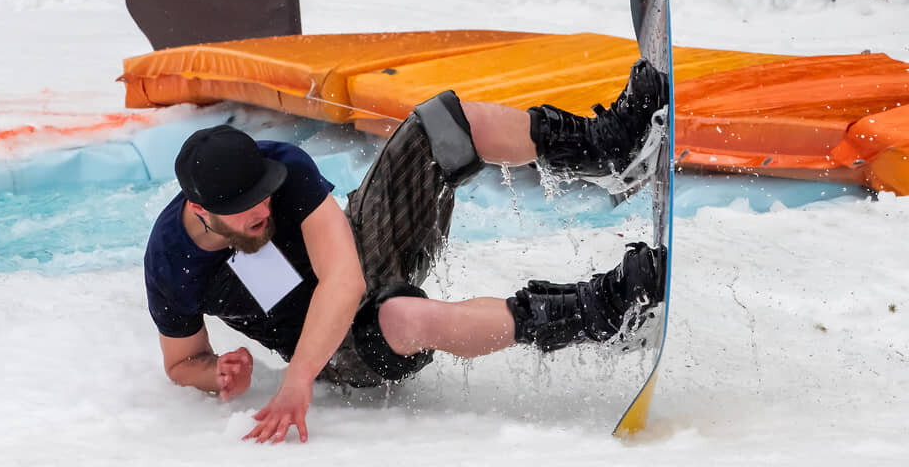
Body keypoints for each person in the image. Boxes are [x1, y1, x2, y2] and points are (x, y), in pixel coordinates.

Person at [143, 59, 670, 444]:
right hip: (331, 346)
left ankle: (606, 147)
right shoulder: (171, 265)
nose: (261, 209)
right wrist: (216, 372)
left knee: (440, 123)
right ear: (198, 207)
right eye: (242, 209)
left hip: (357, 253)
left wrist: (293, 384)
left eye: (263, 195)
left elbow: (344, 278)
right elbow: (181, 362)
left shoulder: (281, 166)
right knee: (401, 316)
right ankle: (603, 311)